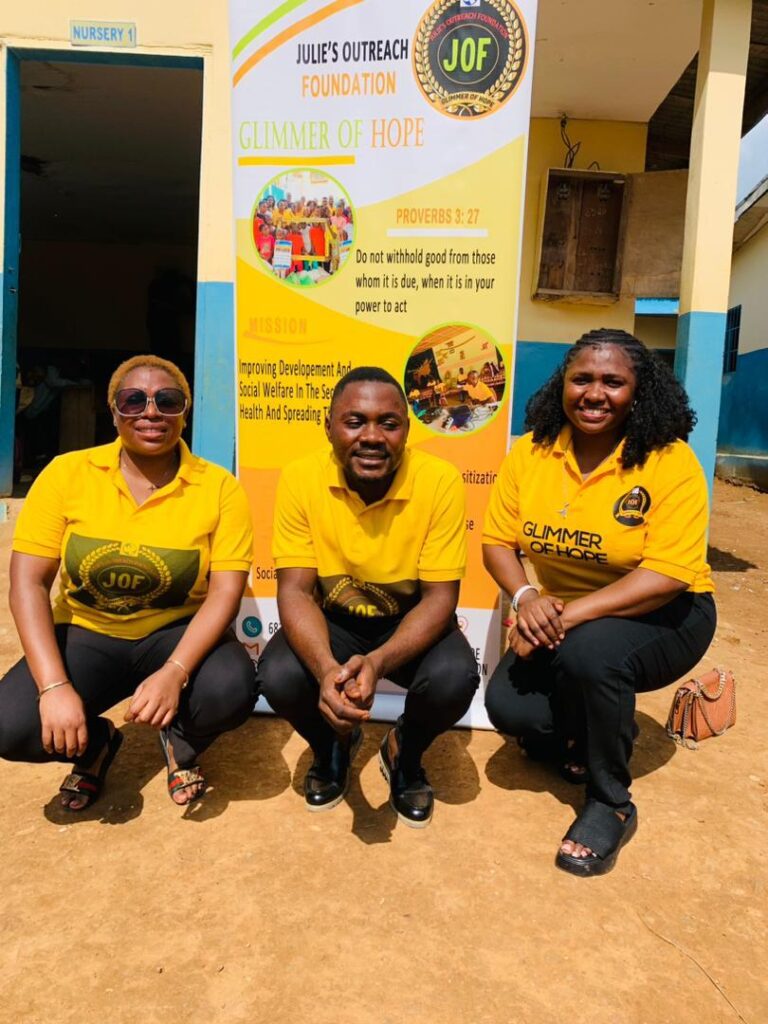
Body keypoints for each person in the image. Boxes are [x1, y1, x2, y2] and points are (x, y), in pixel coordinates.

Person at [482, 329, 716, 876]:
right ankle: (599, 731)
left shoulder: (669, 461)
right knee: (513, 711)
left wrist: (557, 618)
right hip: (565, 613)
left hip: (667, 614)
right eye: (581, 379)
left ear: (638, 391)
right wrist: (526, 597)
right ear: (562, 384)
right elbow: (496, 541)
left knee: (589, 655)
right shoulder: (531, 452)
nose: (594, 393)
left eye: (613, 382)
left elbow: (666, 576)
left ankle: (611, 802)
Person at [0, 355, 257, 810]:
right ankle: (95, 745)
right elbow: (28, 584)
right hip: (86, 632)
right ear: (114, 411)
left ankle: (181, 742)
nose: (151, 412)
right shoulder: (66, 474)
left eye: (167, 401)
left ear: (184, 412)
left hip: (174, 631)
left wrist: (175, 672)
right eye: (134, 400)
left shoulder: (218, 487)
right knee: (10, 726)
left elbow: (225, 592)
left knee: (230, 689)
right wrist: (54, 687)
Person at [257, 366, 479, 827]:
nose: (372, 437)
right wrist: (325, 670)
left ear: (407, 430)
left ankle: (404, 752)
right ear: (329, 427)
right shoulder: (300, 477)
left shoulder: (438, 480)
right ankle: (332, 747)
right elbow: (296, 591)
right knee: (279, 674)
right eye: (355, 422)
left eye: (388, 423)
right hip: (335, 622)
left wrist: (377, 663)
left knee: (454, 678)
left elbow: (440, 600)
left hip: (409, 621)